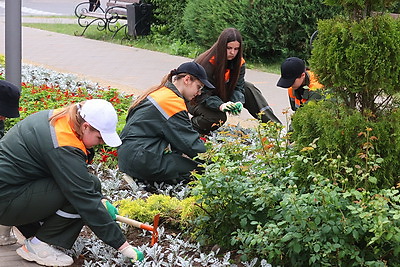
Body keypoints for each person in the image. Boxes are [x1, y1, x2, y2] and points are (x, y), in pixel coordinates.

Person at [0, 99, 143, 266]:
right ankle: (39, 247)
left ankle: (3, 228)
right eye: (99, 138)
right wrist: (123, 246)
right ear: (85, 127)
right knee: (77, 196)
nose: (101, 143)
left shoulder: (60, 118)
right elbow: (83, 197)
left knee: (89, 185)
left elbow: (78, 179)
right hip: (7, 200)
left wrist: (101, 200)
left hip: (9, 189)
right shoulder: (64, 144)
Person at [118, 62, 209, 186]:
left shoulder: (161, 92)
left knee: (178, 159)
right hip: (141, 160)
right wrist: (216, 159)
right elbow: (191, 145)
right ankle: (140, 181)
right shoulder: (172, 103)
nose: (199, 93)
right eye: (199, 87)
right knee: (199, 170)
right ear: (187, 79)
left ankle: (142, 179)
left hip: (130, 155)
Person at [188, 27, 281, 135]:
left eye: (236, 49)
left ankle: (276, 128)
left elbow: (239, 87)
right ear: (222, 46)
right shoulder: (207, 63)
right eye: (229, 48)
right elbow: (202, 95)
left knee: (248, 88)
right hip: (195, 99)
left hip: (219, 95)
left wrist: (238, 102)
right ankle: (192, 126)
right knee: (218, 117)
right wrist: (221, 105)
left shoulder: (239, 63)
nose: (232, 52)